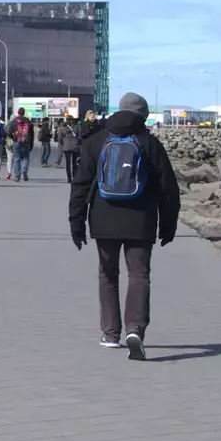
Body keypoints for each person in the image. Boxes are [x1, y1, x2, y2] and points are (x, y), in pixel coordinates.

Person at [68, 92, 180, 360]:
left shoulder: (96, 141)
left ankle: (110, 334)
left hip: (103, 218)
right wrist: (168, 225)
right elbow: (168, 189)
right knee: (139, 275)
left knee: (107, 274)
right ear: (143, 115)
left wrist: (76, 223)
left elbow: (80, 185)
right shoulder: (150, 143)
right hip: (140, 220)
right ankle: (135, 330)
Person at [5, 107, 35, 182]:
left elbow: (8, 132)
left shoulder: (14, 122)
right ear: (24, 113)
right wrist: (31, 143)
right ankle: (24, 171)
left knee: (16, 159)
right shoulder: (29, 122)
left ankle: (17, 176)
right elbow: (32, 134)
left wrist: (14, 137)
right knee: (25, 158)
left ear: (18, 113)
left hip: (17, 142)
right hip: (26, 142)